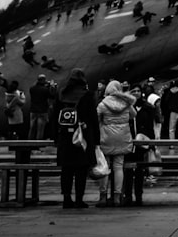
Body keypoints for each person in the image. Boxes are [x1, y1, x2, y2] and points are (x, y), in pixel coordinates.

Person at [55, 68, 99, 208]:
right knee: (81, 170)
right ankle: (79, 199)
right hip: (82, 137)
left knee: (66, 170)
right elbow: (93, 118)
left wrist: (56, 136)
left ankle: (67, 198)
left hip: (65, 138)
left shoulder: (62, 94)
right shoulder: (87, 95)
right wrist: (96, 139)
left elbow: (53, 115)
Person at [97, 80, 137, 206]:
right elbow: (134, 114)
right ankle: (117, 197)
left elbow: (97, 117)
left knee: (105, 167)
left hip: (106, 136)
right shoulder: (126, 102)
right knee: (119, 166)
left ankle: (103, 197)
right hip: (122, 137)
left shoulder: (103, 103)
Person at [29, 74, 54, 141]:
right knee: (40, 129)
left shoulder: (32, 88)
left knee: (32, 128)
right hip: (42, 110)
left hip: (33, 110)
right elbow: (51, 96)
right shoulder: (45, 90)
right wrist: (50, 87)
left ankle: (30, 141)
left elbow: (34, 86)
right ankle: (38, 144)